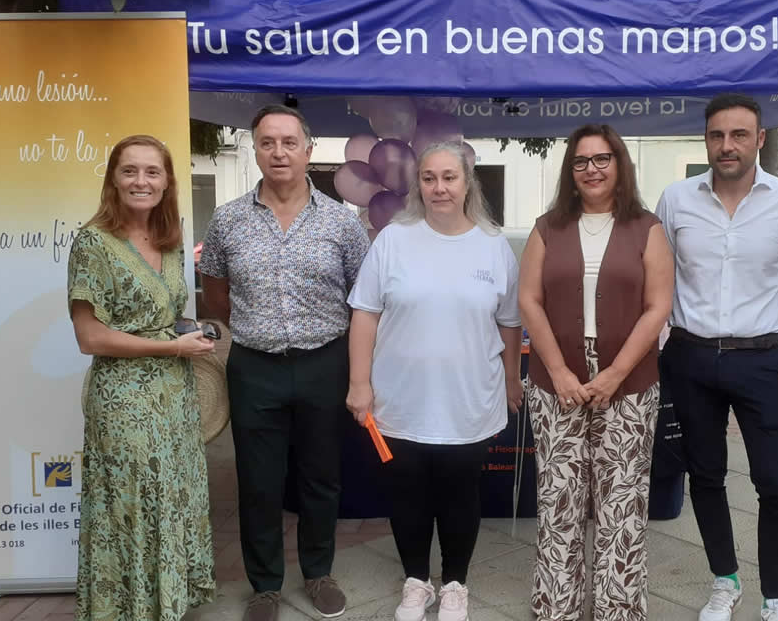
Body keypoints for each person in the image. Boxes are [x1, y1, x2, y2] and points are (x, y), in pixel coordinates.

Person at [199, 105, 370, 621]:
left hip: (325, 362)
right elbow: (215, 293)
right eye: (268, 142)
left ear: (308, 150)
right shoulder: (228, 218)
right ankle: (266, 586)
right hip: (255, 366)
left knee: (321, 477)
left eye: (289, 142)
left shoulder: (341, 222)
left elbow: (363, 296)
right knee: (259, 480)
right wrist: (259, 327)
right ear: (255, 149)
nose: (279, 152)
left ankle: (318, 573)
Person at [655, 93, 778, 621]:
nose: (727, 146)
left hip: (761, 359)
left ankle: (775, 597)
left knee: (775, 480)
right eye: (717, 135)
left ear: (761, 139)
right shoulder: (676, 199)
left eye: (739, 135)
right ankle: (725, 582)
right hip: (690, 358)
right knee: (705, 476)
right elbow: (661, 279)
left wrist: (757, 328)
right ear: (705, 139)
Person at [345, 142, 523, 621]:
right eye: (429, 178)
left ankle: (456, 584)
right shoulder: (393, 241)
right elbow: (364, 314)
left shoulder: (493, 245)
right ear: (417, 184)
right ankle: (416, 581)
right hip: (400, 399)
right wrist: (358, 383)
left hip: (469, 399)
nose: (439, 187)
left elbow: (509, 323)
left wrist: (511, 380)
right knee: (408, 497)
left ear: (468, 183)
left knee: (462, 495)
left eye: (449, 177)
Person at [518, 124, 674, 621]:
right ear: (571, 171)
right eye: (581, 161)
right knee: (560, 500)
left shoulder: (647, 228)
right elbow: (529, 300)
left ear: (620, 163)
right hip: (555, 383)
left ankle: (618, 609)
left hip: (628, 383)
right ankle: (558, 608)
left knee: (621, 504)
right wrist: (560, 372)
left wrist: (614, 375)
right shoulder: (548, 227)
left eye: (602, 159)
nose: (592, 169)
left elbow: (658, 307)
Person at [67, 134, 217, 621]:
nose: (141, 181)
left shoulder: (171, 241)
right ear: (113, 178)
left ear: (168, 181)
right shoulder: (93, 243)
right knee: (133, 507)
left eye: (152, 172)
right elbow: (90, 337)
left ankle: (166, 606)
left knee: (171, 499)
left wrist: (190, 332)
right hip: (125, 401)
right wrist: (172, 346)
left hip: (175, 396)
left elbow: (161, 315)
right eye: (130, 170)